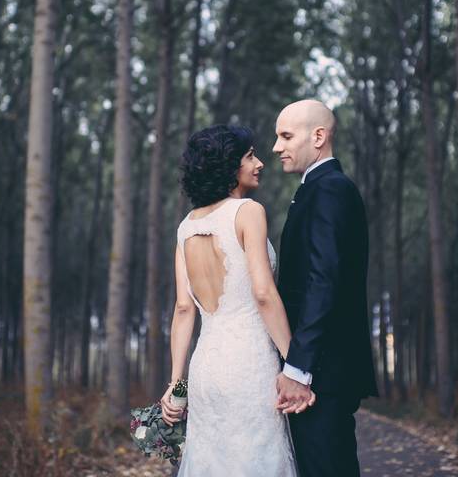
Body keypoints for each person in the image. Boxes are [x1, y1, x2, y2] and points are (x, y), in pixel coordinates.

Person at [160, 124, 302, 476]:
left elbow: (183, 310)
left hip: (205, 367)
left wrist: (177, 387)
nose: (260, 163)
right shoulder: (247, 212)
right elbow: (264, 294)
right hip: (249, 365)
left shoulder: (186, 227)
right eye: (250, 156)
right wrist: (295, 365)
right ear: (229, 166)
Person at [272, 99, 378, 477]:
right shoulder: (316, 188)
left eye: (286, 136)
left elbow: (323, 280)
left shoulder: (329, 189)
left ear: (318, 136)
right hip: (323, 367)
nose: (276, 147)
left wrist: (298, 368)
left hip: (322, 371)